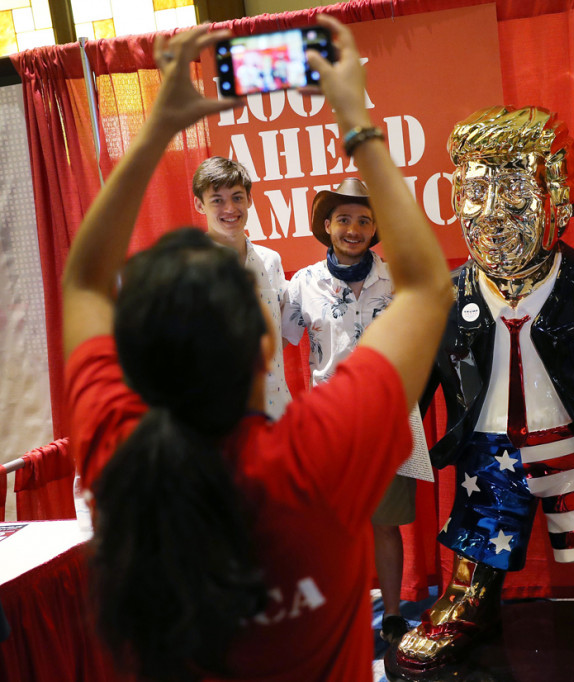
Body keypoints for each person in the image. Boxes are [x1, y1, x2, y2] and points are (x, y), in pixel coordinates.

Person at [62, 16, 452, 682]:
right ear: (268, 335)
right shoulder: (319, 453)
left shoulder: (119, 454)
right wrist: (354, 115)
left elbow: (80, 280)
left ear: (137, 356)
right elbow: (430, 286)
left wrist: (156, 128)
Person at [396, 105, 574, 675]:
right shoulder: (443, 297)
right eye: (475, 194)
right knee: (479, 531)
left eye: (514, 196)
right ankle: (466, 602)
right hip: (488, 449)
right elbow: (414, 380)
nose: (493, 217)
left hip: (573, 445)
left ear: (558, 198)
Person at [281, 176, 418, 645]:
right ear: (327, 225)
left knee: (384, 523)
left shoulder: (398, 281)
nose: (353, 229)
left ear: (375, 226)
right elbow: (274, 335)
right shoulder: (301, 285)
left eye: (363, 220)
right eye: (343, 219)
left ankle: (395, 613)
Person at [192, 156, 290, 419]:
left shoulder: (270, 261)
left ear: (249, 199)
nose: (230, 208)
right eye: (217, 200)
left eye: (237, 197)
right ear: (200, 205)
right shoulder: (187, 269)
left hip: (276, 410)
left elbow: (279, 333)